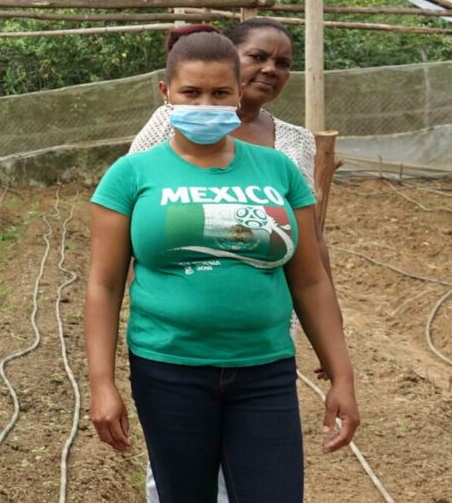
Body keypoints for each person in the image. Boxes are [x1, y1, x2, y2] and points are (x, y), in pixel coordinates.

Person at [85, 28, 359, 503]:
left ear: (238, 94)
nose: (206, 105)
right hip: (169, 370)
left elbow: (311, 281)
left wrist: (342, 376)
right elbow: (103, 287)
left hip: (265, 369)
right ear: (165, 93)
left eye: (220, 93)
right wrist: (102, 384)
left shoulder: (279, 170)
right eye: (192, 92)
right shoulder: (131, 175)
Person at [129, 20, 315, 184]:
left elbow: (305, 213)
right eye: (257, 57)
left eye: (283, 63)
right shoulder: (172, 120)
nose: (271, 70)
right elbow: (131, 185)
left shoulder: (298, 140)